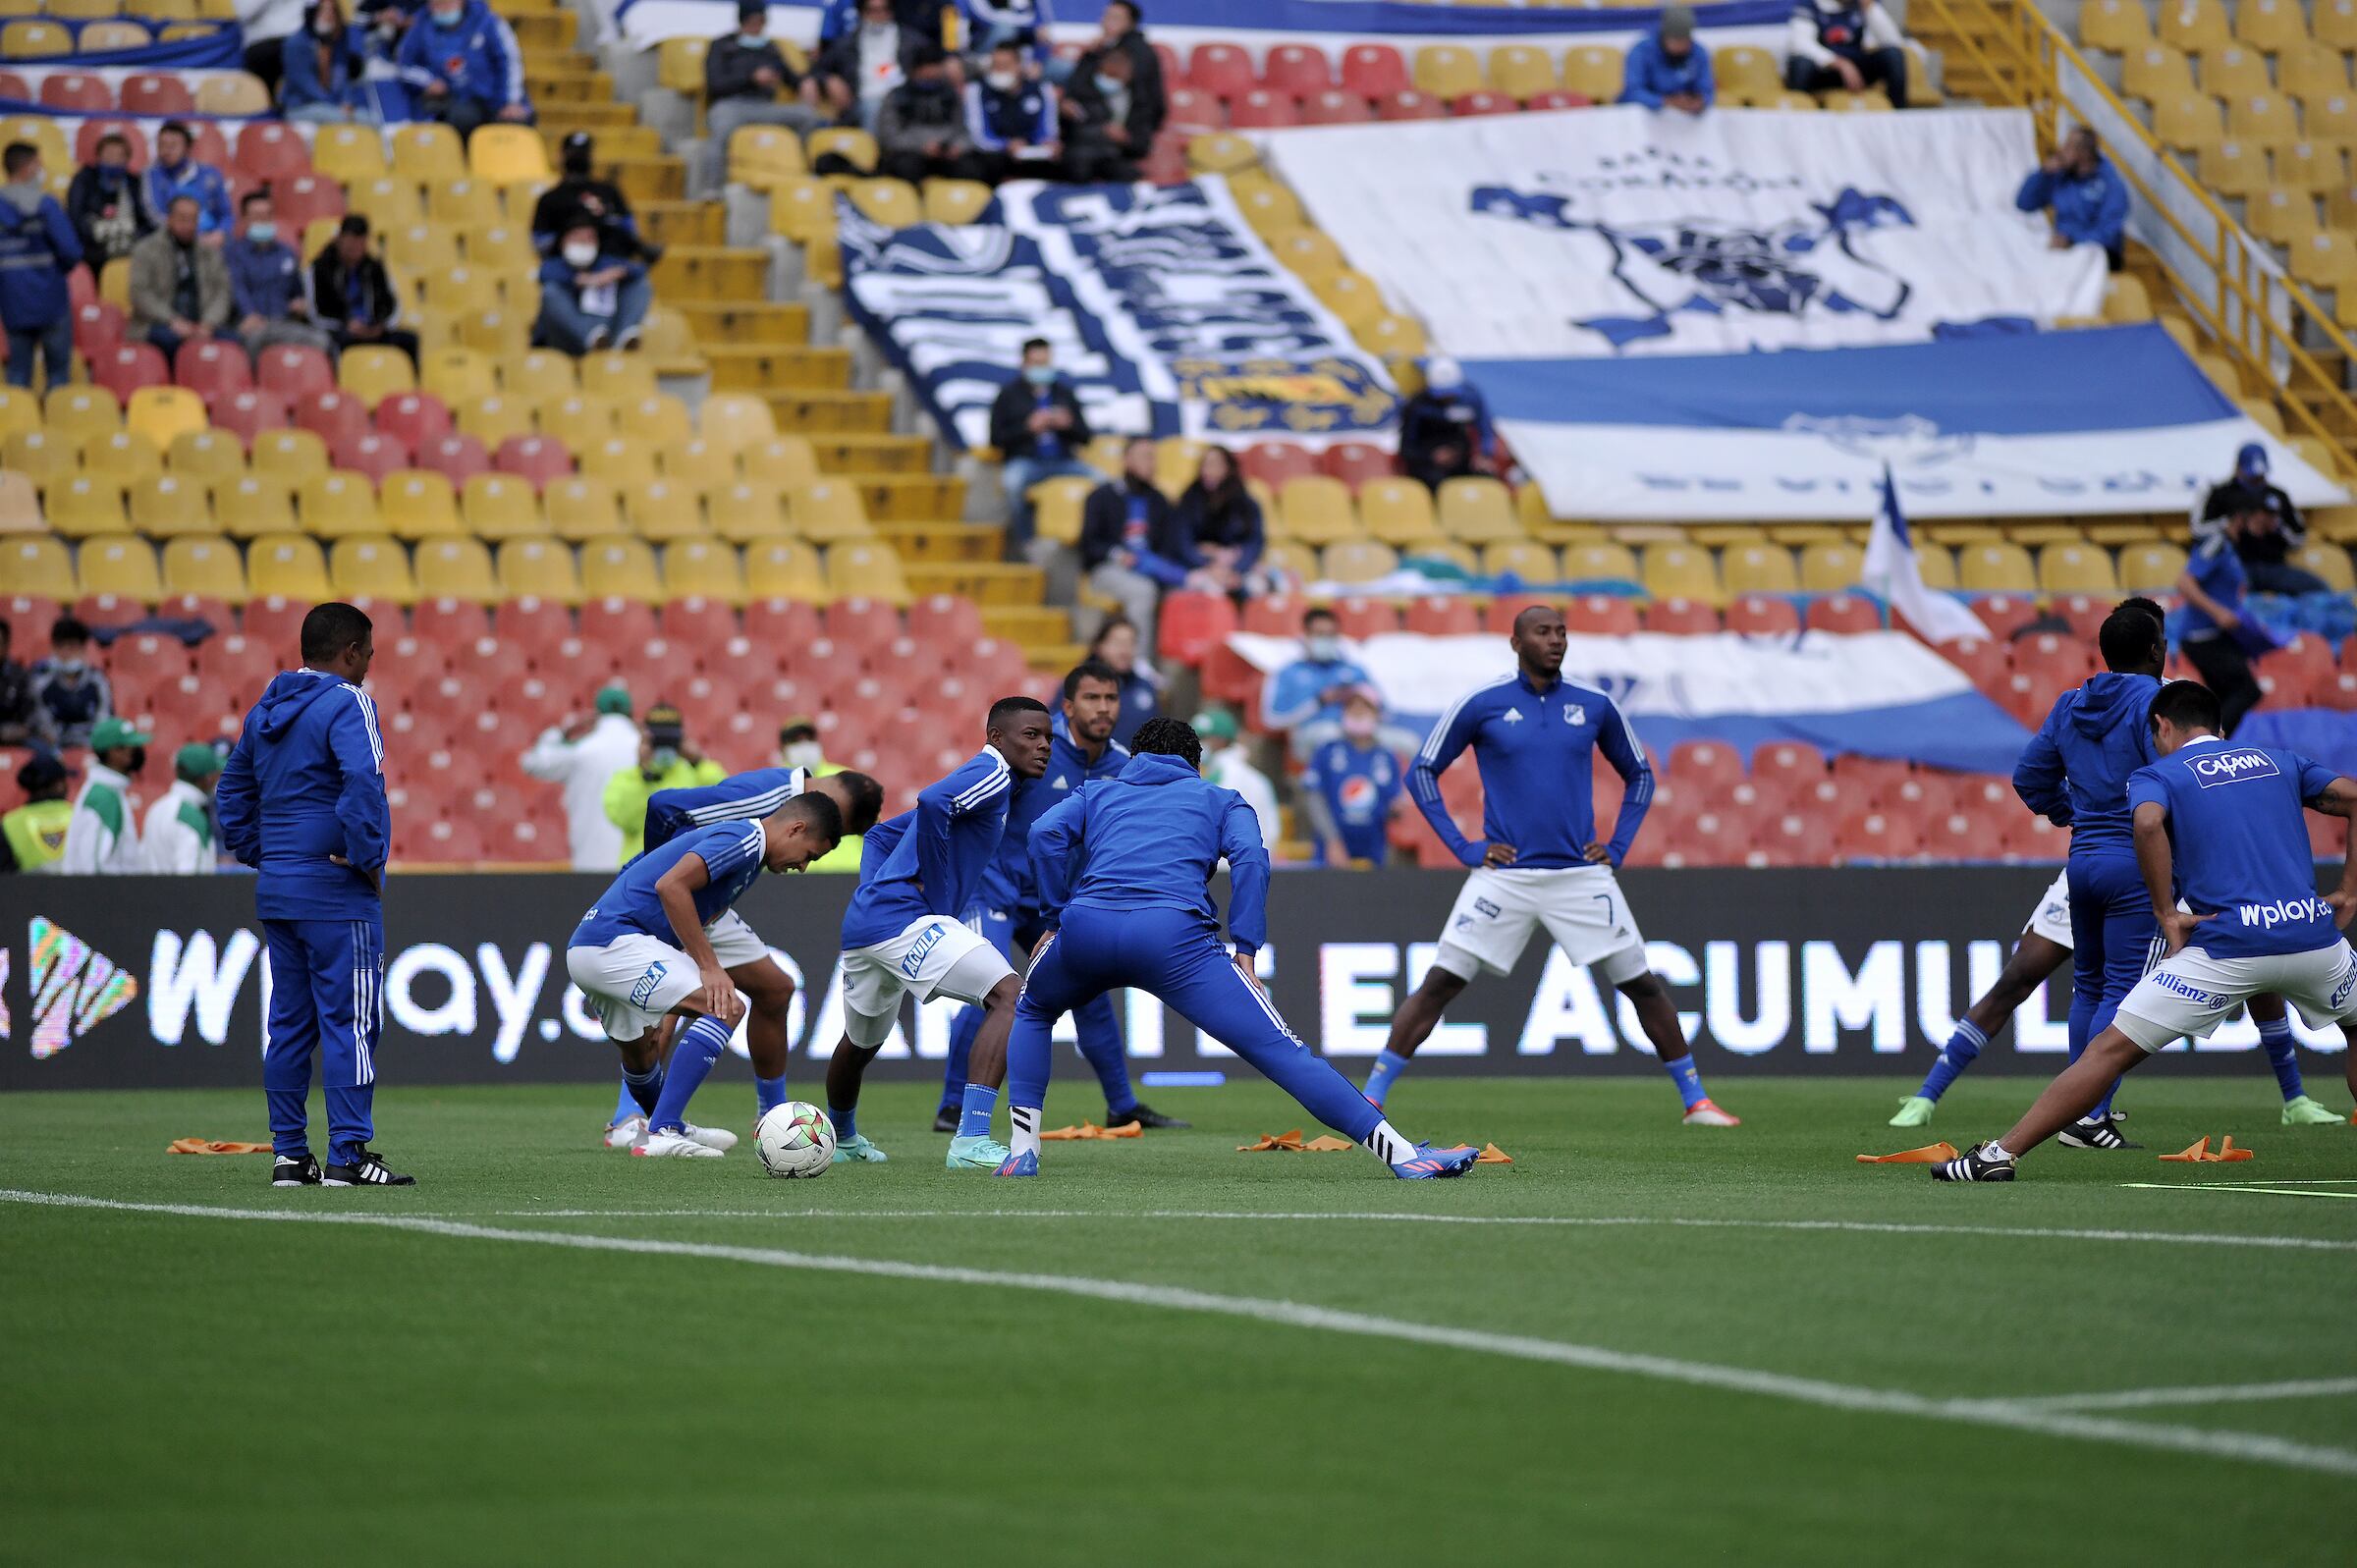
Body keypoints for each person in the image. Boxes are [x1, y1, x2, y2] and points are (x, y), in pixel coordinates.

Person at [997, 717, 1479, 1179]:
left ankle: (1022, 1152)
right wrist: (1246, 945)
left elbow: (1044, 835)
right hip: (1173, 939)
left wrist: (1054, 914)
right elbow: (1251, 859)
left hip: (1087, 930)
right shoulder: (1221, 798)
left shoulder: (1097, 791)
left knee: (1033, 1009)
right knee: (1282, 1052)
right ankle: (1401, 1154)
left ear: (1135, 757)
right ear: (1195, 763)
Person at [1936, 680, 2357, 1182]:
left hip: (2226, 947)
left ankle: (1998, 1156)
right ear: (2219, 727)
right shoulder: (2281, 760)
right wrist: (2349, 889)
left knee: (2108, 1051)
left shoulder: (2158, 773)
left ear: (2161, 725)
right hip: (2314, 940)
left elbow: (2148, 824)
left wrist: (2166, 913)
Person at [1369, 605, 1740, 1125]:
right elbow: (1423, 771)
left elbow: (1640, 774)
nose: (1556, 640)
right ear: (1516, 642)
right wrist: (1465, 847)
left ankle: (1696, 1101)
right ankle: (1371, 1099)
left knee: (1642, 984)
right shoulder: (1482, 703)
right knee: (1440, 983)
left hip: (1580, 875)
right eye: (1543, 632)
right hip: (1505, 876)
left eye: (1561, 632)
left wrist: (1617, 847)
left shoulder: (1594, 704)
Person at [937, 660, 1187, 1134]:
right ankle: (952, 1106)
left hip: (1053, 900)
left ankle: (1122, 1104)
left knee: (1089, 994)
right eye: (1092, 698)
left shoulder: (1119, 763)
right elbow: (965, 802)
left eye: (1111, 698)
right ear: (1067, 706)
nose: (1104, 708)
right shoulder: (1031, 743)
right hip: (995, 888)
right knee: (989, 988)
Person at [1891, 867, 2346, 1128]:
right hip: (2096, 867)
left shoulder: (2188, 749)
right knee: (2020, 976)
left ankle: (2294, 1099)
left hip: (2173, 874)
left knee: (2252, 958)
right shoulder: (2095, 715)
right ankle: (1928, 1095)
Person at [593, 762, 883, 1149]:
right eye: (828, 837)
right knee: (682, 1004)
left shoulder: (783, 812)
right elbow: (664, 806)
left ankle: (773, 1118)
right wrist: (661, 874)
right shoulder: (766, 797)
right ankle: (633, 1118)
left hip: (708, 903)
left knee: (775, 989)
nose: (807, 862)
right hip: (676, 896)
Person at [215, 603, 407, 1186]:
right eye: (368, 653)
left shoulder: (266, 708)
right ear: (350, 651)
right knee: (352, 1021)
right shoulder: (350, 702)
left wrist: (265, 853)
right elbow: (361, 780)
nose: (371, 665)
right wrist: (367, 856)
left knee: (290, 1025)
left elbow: (231, 792)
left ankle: (290, 1156)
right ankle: (349, 1155)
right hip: (335, 893)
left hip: (279, 890)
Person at [822, 698, 1052, 1168]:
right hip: (904, 919)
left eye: (1048, 736)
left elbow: (881, 837)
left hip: (868, 922)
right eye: (1031, 735)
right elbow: (933, 801)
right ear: (996, 738)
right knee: (1011, 996)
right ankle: (969, 1142)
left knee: (860, 1042)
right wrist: (939, 903)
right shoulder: (992, 774)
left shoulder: (997, 784)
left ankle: (842, 1141)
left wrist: (876, 890)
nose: (1044, 745)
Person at [2009, 599, 2168, 1150]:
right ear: (2155, 649)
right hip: (2135, 862)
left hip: (2084, 862)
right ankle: (2088, 1112)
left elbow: (2028, 777)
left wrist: (2068, 812)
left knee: (2089, 986)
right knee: (2122, 994)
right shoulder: (2157, 702)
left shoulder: (2070, 703)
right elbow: (2172, 778)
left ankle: (2079, 1110)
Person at [703, 0, 825, 191]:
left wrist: (806, 82)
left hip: (765, 106)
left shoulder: (770, 48)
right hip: (732, 105)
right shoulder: (722, 46)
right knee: (721, 128)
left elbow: (790, 77)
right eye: (751, 22)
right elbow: (716, 84)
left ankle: (801, 177)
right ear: (742, 21)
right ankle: (712, 189)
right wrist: (751, 78)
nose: (756, 27)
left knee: (807, 116)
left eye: (760, 22)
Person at [989, 338, 1095, 551]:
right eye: (1036, 363)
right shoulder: (1009, 395)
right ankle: (1027, 543)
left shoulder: (1063, 393)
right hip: (1026, 461)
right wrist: (1027, 428)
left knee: (1103, 483)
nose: (1041, 368)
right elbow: (996, 440)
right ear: (1024, 363)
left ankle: (1091, 542)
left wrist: (1068, 425)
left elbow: (1086, 437)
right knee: (1012, 484)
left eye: (1045, 363)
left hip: (1063, 461)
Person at [520, 682, 639, 870]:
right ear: (631, 713)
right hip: (638, 864)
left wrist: (562, 732)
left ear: (596, 714)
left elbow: (532, 762)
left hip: (589, 861)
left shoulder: (581, 750)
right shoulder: (646, 748)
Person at [2178, 502, 2273, 737]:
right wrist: (2218, 612)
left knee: (2222, 698)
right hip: (2202, 635)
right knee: (2247, 690)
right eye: (2262, 517)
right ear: (2241, 518)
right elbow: (2185, 582)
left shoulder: (2231, 548)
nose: (2268, 524)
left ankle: (2212, 747)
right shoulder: (2216, 542)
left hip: (2219, 635)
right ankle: (2211, 745)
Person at [1077, 436, 1178, 658]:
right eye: (1144, 457)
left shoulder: (1159, 501)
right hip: (1108, 569)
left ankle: (1170, 663)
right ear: (1126, 461)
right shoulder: (1102, 496)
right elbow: (1089, 543)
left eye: (1153, 458)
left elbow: (1169, 546)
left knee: (1180, 593)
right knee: (1143, 591)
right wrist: (1117, 555)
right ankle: (1138, 663)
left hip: (1150, 568)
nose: (1151, 464)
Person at [0, 142, 82, 394]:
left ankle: (14, 429)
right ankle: (56, 428)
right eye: (37, 164)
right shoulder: (47, 206)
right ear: (27, 168)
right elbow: (71, 251)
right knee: (58, 376)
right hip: (52, 298)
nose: (41, 169)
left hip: (13, 301)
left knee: (17, 375)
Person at [602, 704, 725, 861]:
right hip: (639, 867)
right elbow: (624, 818)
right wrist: (645, 773)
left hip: (684, 869)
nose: (664, 745)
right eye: (658, 740)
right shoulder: (627, 778)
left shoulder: (695, 773)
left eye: (670, 740)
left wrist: (699, 762)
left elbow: (723, 800)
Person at [2197, 443, 2322, 596]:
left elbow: (2299, 538)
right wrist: (2228, 525)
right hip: (2234, 565)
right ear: (2238, 468)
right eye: (2251, 476)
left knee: (2318, 588)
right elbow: (2197, 530)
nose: (2256, 480)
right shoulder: (2220, 493)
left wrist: (2276, 526)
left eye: (2260, 476)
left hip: (2273, 566)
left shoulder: (2278, 495)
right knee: (2228, 590)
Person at [1299, 687, 1404, 866]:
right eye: (1351, 707)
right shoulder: (1328, 750)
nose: (1357, 712)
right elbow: (1314, 796)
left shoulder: (1386, 756)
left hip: (1374, 851)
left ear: (1377, 714)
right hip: (1330, 851)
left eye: (1365, 707)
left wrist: (1396, 809)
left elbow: (1393, 802)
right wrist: (1332, 840)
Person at [398, 0, 532, 139]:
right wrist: (428, 81)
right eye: (436, 4)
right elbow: (404, 65)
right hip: (456, 100)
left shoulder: (489, 22)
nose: (441, 8)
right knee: (458, 120)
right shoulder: (421, 27)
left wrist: (511, 101)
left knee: (515, 121)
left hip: (497, 99)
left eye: (446, 3)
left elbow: (510, 61)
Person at [129, 196, 241, 362]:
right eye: (182, 219)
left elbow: (222, 291)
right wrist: (172, 320)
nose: (188, 225)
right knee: (169, 340)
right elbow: (140, 294)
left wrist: (208, 323)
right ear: (169, 218)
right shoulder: (146, 250)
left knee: (234, 341)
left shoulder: (209, 252)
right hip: (160, 323)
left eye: (193, 219)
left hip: (202, 323)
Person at [226, 191, 334, 357]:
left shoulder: (286, 253)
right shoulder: (234, 253)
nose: (263, 220)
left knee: (322, 341)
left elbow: (297, 290)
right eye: (257, 216)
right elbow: (237, 288)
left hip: (284, 322)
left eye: (267, 215)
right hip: (251, 323)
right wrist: (248, 314)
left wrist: (300, 302)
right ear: (245, 219)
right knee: (253, 342)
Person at [532, 134, 662, 265]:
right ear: (561, 156)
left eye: (583, 153)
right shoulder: (550, 198)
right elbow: (540, 242)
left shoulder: (608, 191)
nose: (579, 158)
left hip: (610, 260)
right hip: (563, 265)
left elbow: (629, 229)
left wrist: (604, 224)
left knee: (637, 275)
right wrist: (572, 234)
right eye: (573, 153)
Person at [2014, 126, 2128, 272]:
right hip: (2062, 251)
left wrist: (2072, 240)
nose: (2062, 151)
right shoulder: (2061, 177)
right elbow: (2024, 204)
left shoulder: (2111, 185)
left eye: (2068, 146)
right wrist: (2043, 174)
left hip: (2095, 256)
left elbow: (2109, 232)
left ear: (2084, 153)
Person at [1262, 605, 1370, 758]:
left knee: (1407, 743)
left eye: (1331, 635)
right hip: (1309, 735)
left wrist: (1359, 698)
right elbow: (1271, 719)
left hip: (1358, 731)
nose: (1326, 640)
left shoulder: (1354, 670)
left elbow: (1383, 710)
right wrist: (1318, 702)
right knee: (1331, 735)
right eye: (1319, 634)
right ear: (1306, 636)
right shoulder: (1288, 672)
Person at [312, 214, 421, 366]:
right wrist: (346, 324)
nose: (355, 247)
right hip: (341, 330)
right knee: (333, 344)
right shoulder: (321, 268)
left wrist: (379, 325)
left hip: (373, 329)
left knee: (409, 340)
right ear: (340, 239)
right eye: (351, 241)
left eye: (360, 242)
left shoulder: (374, 267)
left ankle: (411, 385)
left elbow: (392, 305)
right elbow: (317, 311)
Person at [533, 220, 651, 354]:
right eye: (577, 236)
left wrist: (617, 273)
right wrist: (583, 280)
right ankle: (590, 337)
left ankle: (624, 336)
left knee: (639, 284)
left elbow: (639, 270)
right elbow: (544, 274)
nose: (583, 241)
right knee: (551, 292)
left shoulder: (605, 263)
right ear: (563, 241)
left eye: (590, 237)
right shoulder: (554, 265)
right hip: (564, 342)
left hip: (606, 334)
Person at [876, 42, 990, 183]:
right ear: (915, 69)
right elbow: (889, 136)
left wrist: (958, 146)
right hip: (912, 152)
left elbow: (964, 128)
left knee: (971, 168)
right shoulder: (897, 96)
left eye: (936, 66)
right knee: (904, 167)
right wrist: (920, 146)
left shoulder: (951, 93)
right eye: (927, 67)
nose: (933, 72)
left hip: (947, 152)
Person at [1169, 446, 1265, 596]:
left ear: (1228, 468)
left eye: (1215, 464)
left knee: (1256, 587)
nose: (1209, 470)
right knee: (1210, 589)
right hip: (1200, 566)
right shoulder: (1189, 500)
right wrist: (1208, 564)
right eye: (1206, 464)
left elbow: (1255, 542)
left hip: (1237, 567)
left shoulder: (1246, 503)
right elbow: (1182, 543)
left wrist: (1235, 568)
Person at [59, 717, 148, 874]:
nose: (137, 751)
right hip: (101, 897)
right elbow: (94, 866)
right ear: (114, 752)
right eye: (131, 746)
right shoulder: (104, 797)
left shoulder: (108, 791)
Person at [963, 39, 1058, 183]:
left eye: (1005, 66)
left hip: (1031, 152)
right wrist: (1006, 145)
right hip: (996, 153)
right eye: (995, 66)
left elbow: (1048, 129)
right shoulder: (977, 90)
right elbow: (979, 135)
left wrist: (1047, 143)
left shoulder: (1042, 90)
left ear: (1019, 66)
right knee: (985, 163)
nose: (999, 70)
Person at [1398, 356, 1495, 493]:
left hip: (1460, 459)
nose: (1448, 398)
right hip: (1427, 463)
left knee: (1486, 477)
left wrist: (1484, 455)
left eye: (1452, 394)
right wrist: (1432, 457)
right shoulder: (1417, 406)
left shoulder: (1471, 397)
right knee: (1436, 481)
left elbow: (1485, 428)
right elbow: (1407, 448)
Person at [1059, 41, 1154, 182]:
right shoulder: (1082, 94)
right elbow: (1068, 133)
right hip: (1080, 157)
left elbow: (1143, 144)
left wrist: (1126, 138)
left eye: (1117, 72)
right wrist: (1063, 115)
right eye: (1108, 72)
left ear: (1129, 72)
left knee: (1133, 178)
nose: (1112, 75)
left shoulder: (1139, 103)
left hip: (1115, 157)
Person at [1784, 0, 1908, 106]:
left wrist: (1870, 7)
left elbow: (1893, 42)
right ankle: (1798, 113)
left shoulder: (1859, 5)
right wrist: (1839, 63)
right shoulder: (1810, 5)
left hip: (1856, 71)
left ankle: (1897, 116)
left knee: (1893, 55)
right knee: (1800, 64)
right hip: (1823, 71)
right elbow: (1800, 43)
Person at [815, 0, 913, 131]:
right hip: (861, 99)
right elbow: (817, 69)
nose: (879, 15)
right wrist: (829, 79)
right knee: (873, 106)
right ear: (862, 13)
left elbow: (931, 66)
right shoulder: (847, 43)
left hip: (903, 97)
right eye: (872, 11)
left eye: (884, 10)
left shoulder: (911, 41)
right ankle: (871, 149)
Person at [66, 133, 154, 271]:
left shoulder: (134, 182)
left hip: (130, 246)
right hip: (94, 249)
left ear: (127, 158)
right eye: (109, 153)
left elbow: (145, 218)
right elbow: (76, 216)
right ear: (99, 156)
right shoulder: (84, 179)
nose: (113, 159)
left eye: (119, 155)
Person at [1193, 705, 1277, 849]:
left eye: (1204, 738)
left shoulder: (1220, 774)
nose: (1200, 744)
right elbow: (1273, 829)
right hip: (1254, 863)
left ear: (1220, 740)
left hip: (1224, 866)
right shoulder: (1259, 779)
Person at [142, 123, 233, 243]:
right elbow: (155, 215)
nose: (166, 151)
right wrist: (191, 238)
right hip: (171, 242)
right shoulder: (150, 175)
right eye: (161, 145)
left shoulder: (210, 175)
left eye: (172, 146)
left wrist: (220, 233)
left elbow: (225, 213)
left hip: (211, 241)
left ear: (187, 148)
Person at [281, 0, 369, 122]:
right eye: (322, 10)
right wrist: (336, 105)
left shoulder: (341, 43)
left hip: (334, 107)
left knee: (370, 119)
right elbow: (307, 87)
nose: (328, 16)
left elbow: (344, 79)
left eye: (333, 11)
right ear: (312, 13)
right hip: (302, 106)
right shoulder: (296, 44)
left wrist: (347, 102)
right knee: (345, 119)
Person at [30, 617, 111, 749]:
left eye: (72, 646)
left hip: (91, 747)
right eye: (61, 646)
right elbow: (43, 723)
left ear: (83, 649)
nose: (66, 653)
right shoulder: (41, 683)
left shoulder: (98, 681)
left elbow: (103, 720)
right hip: (55, 748)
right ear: (53, 648)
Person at [143, 742, 223, 873]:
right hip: (179, 892)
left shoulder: (156, 807)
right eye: (216, 774)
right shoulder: (191, 816)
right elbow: (190, 879)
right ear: (208, 778)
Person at [1620, 5, 1714, 113]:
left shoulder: (1698, 52)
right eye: (1676, 40)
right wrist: (1665, 101)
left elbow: (1707, 90)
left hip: (1685, 119)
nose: (1681, 46)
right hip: (1644, 119)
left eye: (1685, 40)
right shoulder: (1641, 51)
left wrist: (1700, 101)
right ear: (1665, 36)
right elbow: (1632, 91)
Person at [1086, 613, 1159, 746]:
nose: (1125, 651)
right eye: (1118, 643)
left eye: (1131, 643)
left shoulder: (1146, 687)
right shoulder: (1079, 687)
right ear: (1100, 646)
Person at [0, 751, 71, 873]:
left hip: (27, 890)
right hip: (81, 890)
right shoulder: (81, 815)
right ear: (59, 785)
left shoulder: (9, 823)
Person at [0, 619, 36, 743]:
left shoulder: (20, 676)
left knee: (44, 758)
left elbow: (30, 716)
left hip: (16, 738)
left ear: (6, 645)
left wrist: (23, 729)